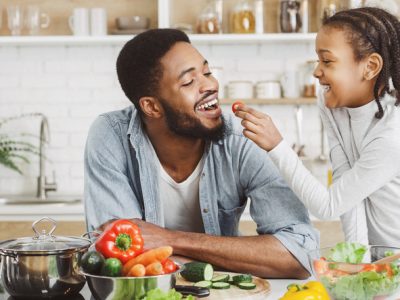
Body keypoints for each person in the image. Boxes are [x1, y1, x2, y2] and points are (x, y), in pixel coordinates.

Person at [84, 28, 319, 279]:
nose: (210, 85)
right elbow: (119, 260)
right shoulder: (111, 136)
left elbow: (299, 255)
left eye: (207, 72)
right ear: (151, 106)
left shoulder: (243, 139)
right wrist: (237, 258)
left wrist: (169, 240)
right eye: (188, 82)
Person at [234, 7, 400, 247]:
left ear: (370, 67)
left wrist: (277, 146)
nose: (316, 71)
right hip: (381, 261)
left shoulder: (391, 134)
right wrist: (359, 265)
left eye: (327, 61)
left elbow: (328, 206)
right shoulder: (332, 104)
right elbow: (348, 198)